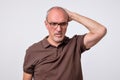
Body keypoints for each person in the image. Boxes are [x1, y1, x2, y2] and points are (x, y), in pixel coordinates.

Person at [23, 6, 107, 80]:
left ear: (67, 24)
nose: (59, 29)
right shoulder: (33, 51)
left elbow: (100, 30)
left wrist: (73, 16)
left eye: (63, 24)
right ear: (46, 24)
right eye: (54, 24)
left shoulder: (75, 44)